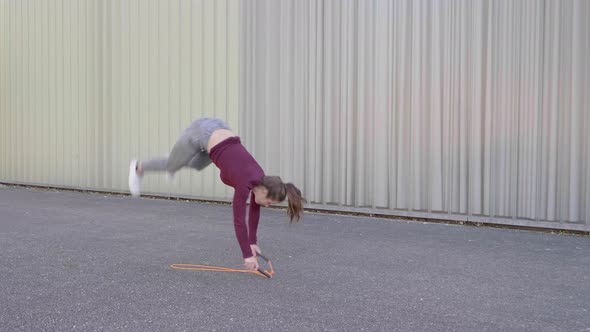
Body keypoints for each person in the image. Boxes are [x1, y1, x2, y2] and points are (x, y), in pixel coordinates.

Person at [128, 118, 304, 270]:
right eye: (270, 202)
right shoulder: (245, 183)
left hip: (218, 134)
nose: (267, 205)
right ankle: (139, 168)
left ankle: (177, 160)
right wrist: (246, 255)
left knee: (196, 165)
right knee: (171, 166)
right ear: (264, 191)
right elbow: (239, 220)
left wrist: (252, 242)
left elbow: (254, 211)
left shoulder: (260, 179)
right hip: (202, 132)